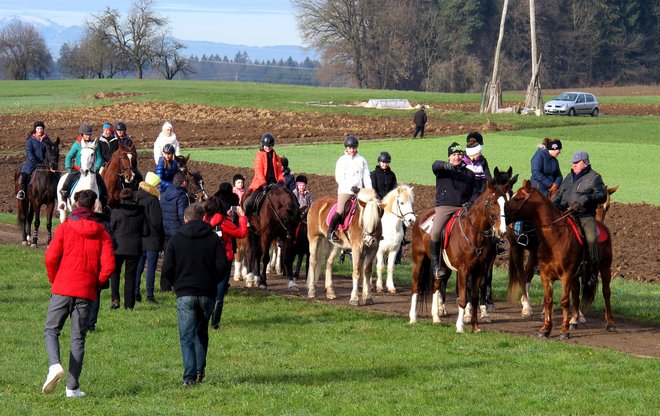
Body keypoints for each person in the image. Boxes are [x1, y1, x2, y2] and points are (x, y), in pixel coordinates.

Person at [43, 189, 115, 397]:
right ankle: (72, 388)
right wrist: (96, 285)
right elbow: (108, 266)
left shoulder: (65, 228)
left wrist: (54, 280)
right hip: (85, 291)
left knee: (51, 329)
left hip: (63, 287)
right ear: (94, 206)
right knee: (78, 338)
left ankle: (55, 364)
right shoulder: (102, 232)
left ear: (75, 205)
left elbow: (50, 258)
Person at [162, 203, 228, 386]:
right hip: (207, 292)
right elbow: (223, 265)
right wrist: (212, 282)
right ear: (204, 218)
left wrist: (176, 283)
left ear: (185, 218)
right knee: (201, 332)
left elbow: (167, 267)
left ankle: (189, 376)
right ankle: (199, 371)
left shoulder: (176, 238)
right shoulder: (213, 239)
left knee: (186, 336)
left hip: (185, 293)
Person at [553, 151, 607, 285]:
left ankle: (592, 271)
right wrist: (554, 205)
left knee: (591, 238)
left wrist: (587, 198)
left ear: (585, 163)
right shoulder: (568, 177)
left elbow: (602, 196)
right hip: (565, 214)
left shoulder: (594, 177)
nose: (574, 165)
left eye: (576, 162)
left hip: (584, 216)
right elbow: (559, 194)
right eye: (573, 162)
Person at [429, 142, 480, 278]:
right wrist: (446, 166)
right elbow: (435, 164)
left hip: (464, 208)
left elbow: (476, 192)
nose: (457, 157)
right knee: (435, 232)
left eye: (459, 154)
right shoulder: (442, 170)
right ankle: (436, 266)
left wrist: (470, 201)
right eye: (453, 155)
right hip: (445, 206)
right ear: (449, 157)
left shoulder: (469, 174)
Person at [203, 183, 248, 330]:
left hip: (208, 257)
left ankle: (204, 316)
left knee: (209, 287)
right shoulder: (224, 222)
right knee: (220, 290)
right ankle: (215, 322)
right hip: (224, 258)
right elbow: (241, 233)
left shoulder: (205, 220)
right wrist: (242, 217)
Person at [328, 135, 372, 241]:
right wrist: (351, 188)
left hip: (360, 191)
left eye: (354, 148)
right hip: (345, 190)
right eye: (350, 148)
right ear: (346, 148)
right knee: (340, 210)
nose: (352, 150)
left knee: (371, 208)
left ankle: (373, 232)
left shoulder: (362, 160)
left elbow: (366, 176)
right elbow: (339, 177)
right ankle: (330, 232)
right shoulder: (342, 160)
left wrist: (369, 190)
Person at [109, 188, 147, 310]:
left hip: (118, 246)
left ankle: (115, 299)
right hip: (134, 247)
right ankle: (129, 304)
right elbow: (146, 231)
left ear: (121, 197)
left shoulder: (116, 211)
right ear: (133, 197)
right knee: (130, 276)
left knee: (115, 274)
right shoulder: (140, 211)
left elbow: (111, 227)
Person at [60, 124, 108, 209]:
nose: (88, 136)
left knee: (102, 184)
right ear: (82, 135)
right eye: (86, 134)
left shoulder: (94, 144)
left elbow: (99, 159)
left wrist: (96, 168)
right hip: (77, 169)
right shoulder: (77, 144)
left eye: (89, 134)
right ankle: (63, 202)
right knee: (67, 182)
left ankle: (105, 205)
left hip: (91, 170)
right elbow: (69, 157)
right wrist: (68, 168)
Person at [135, 172, 165, 303]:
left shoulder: (137, 197)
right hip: (152, 238)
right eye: (157, 185)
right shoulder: (153, 200)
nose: (158, 187)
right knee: (151, 268)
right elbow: (157, 221)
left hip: (139, 238)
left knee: (139, 267)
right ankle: (150, 294)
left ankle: (135, 291)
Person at [159, 172, 190, 292]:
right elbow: (183, 215)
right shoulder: (182, 196)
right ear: (184, 183)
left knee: (167, 260)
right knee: (179, 260)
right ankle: (178, 285)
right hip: (177, 232)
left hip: (165, 230)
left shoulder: (165, 193)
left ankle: (164, 286)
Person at [243, 133, 285, 218]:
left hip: (274, 184)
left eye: (269, 146)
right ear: (262, 145)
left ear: (272, 145)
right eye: (266, 146)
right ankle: (247, 219)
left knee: (288, 199)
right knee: (250, 203)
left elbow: (279, 172)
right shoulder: (259, 157)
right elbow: (259, 172)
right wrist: (264, 184)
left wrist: (281, 181)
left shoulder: (277, 157)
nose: (268, 148)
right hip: (261, 184)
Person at [17, 120, 53, 199]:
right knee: (25, 173)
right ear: (35, 130)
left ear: (43, 129)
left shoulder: (47, 139)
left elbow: (50, 151)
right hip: (32, 162)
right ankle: (21, 191)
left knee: (53, 174)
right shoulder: (30, 140)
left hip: (44, 163)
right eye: (38, 129)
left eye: (41, 128)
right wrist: (34, 161)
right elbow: (29, 152)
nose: (40, 130)